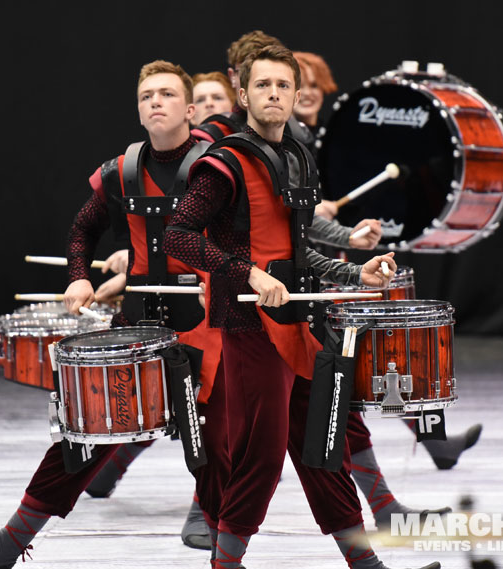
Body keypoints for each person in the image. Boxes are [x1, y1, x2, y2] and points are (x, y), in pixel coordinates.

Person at [0, 60, 227, 569]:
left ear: (189, 109)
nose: (155, 102)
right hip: (138, 324)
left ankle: (218, 536)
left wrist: (221, 284)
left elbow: (241, 242)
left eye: (166, 94)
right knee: (83, 434)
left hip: (204, 326)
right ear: (140, 111)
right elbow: (82, 231)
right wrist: (79, 275)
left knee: (213, 436)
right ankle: (7, 544)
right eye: (146, 96)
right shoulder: (123, 170)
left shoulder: (217, 169)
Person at [165, 44, 439, 569]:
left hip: (297, 325)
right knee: (261, 461)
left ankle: (367, 564)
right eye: (262, 85)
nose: (273, 94)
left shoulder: (295, 156)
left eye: (283, 86)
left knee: (323, 452)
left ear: (295, 96)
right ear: (243, 94)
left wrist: (355, 273)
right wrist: (245, 272)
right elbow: (178, 236)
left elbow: (299, 252)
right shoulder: (223, 163)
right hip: (248, 326)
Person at [292, 49, 483, 474]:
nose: (305, 91)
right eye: (295, 82)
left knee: (370, 361)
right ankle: (106, 468)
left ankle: (436, 444)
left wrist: (340, 227)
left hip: (339, 257)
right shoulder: (283, 145)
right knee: (348, 371)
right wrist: (312, 216)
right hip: (306, 269)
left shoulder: (334, 139)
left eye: (313, 82)